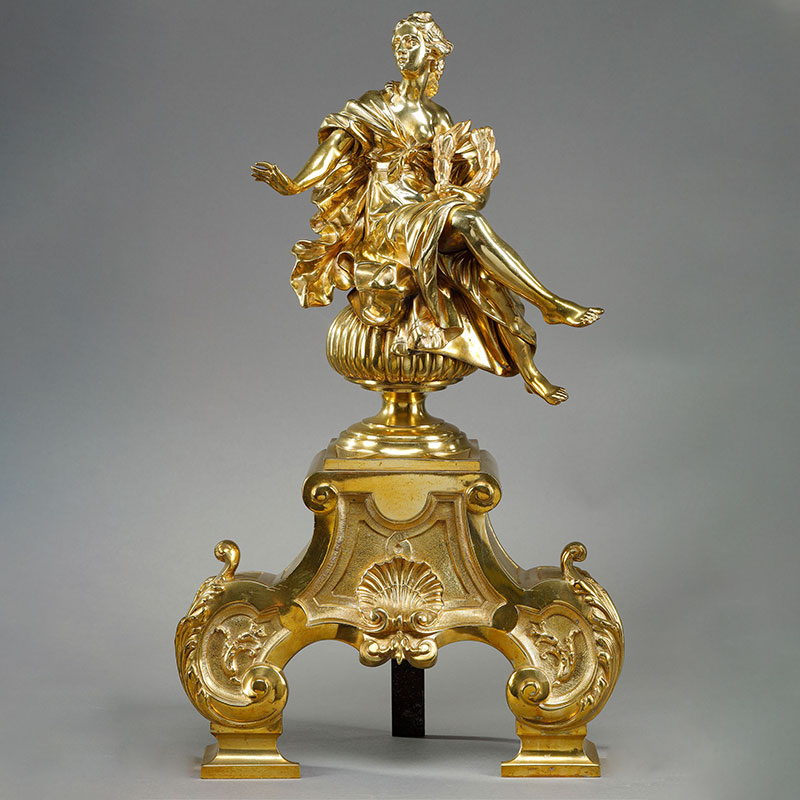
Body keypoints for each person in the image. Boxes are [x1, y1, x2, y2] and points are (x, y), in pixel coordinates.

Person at [252, 12, 603, 404]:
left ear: (433, 52)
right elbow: (333, 150)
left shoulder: (440, 119)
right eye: (397, 44)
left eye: (410, 42)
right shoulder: (374, 107)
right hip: (387, 223)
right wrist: (295, 183)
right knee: (466, 222)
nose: (401, 51)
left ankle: (531, 369)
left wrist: (469, 191)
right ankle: (549, 304)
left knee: (479, 270)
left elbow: (460, 182)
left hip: (427, 215)